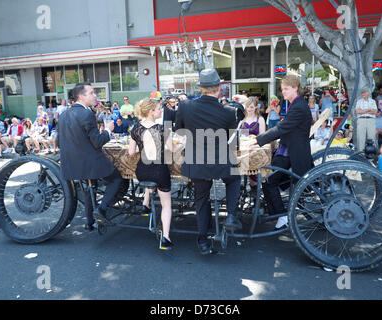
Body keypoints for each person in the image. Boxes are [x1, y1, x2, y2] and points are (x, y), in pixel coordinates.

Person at [175, 69, 242, 255]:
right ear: (219, 88)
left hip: (196, 160)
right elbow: (231, 138)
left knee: (201, 199)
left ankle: (203, 241)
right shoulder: (228, 112)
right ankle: (230, 215)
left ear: (201, 88)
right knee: (235, 178)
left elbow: (179, 131)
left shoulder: (185, 106)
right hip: (220, 159)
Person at [247, 74, 313, 230]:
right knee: (268, 180)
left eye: (286, 89)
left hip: (291, 152)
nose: (283, 92)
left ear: (295, 88)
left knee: (269, 181)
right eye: (282, 89)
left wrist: (258, 140)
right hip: (288, 148)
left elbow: (282, 128)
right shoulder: (295, 104)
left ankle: (282, 216)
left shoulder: (298, 106)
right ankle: (276, 213)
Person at [58, 83, 125, 230]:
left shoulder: (63, 115)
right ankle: (101, 209)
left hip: (71, 164)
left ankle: (89, 222)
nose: (95, 95)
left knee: (89, 188)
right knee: (117, 178)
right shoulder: (87, 113)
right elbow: (98, 142)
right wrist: (107, 130)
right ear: (81, 96)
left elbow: (60, 141)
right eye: (92, 93)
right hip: (90, 162)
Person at [128, 98, 175, 250]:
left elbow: (131, 152)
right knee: (166, 205)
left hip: (141, 172)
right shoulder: (162, 129)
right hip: (159, 171)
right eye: (158, 109)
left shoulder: (135, 128)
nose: (161, 110)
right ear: (150, 112)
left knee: (151, 182)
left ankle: (145, 204)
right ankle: (165, 237)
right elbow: (173, 149)